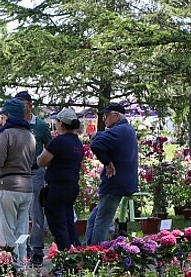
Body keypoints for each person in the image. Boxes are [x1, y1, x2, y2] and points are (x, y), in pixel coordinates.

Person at [84, 102, 139, 246]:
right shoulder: (126, 129)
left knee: (102, 220)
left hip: (114, 183)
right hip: (122, 182)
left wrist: (107, 163)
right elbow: (103, 137)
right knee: (94, 218)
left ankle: (95, 253)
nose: (104, 119)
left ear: (116, 115)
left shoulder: (119, 130)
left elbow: (96, 145)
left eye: (106, 116)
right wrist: (99, 134)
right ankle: (85, 248)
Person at [0, 99, 37, 263]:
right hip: (27, 187)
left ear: (8, 116)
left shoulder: (6, 134)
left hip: (7, 187)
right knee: (22, 230)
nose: (1, 120)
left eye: (2, 116)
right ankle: (22, 263)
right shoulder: (30, 135)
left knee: (6, 231)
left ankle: (10, 268)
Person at [37, 107, 86, 252]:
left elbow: (41, 160)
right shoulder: (78, 143)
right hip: (71, 186)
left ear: (61, 124)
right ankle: (76, 253)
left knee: (58, 224)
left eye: (57, 122)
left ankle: (65, 259)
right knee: (69, 222)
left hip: (57, 188)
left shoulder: (58, 141)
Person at [14, 91, 53, 266]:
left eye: (22, 104)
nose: (19, 108)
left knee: (36, 212)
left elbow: (51, 147)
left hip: (36, 172)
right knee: (17, 214)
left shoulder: (40, 126)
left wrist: (45, 166)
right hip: (16, 173)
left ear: (30, 104)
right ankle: (19, 249)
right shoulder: (14, 124)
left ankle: (37, 249)